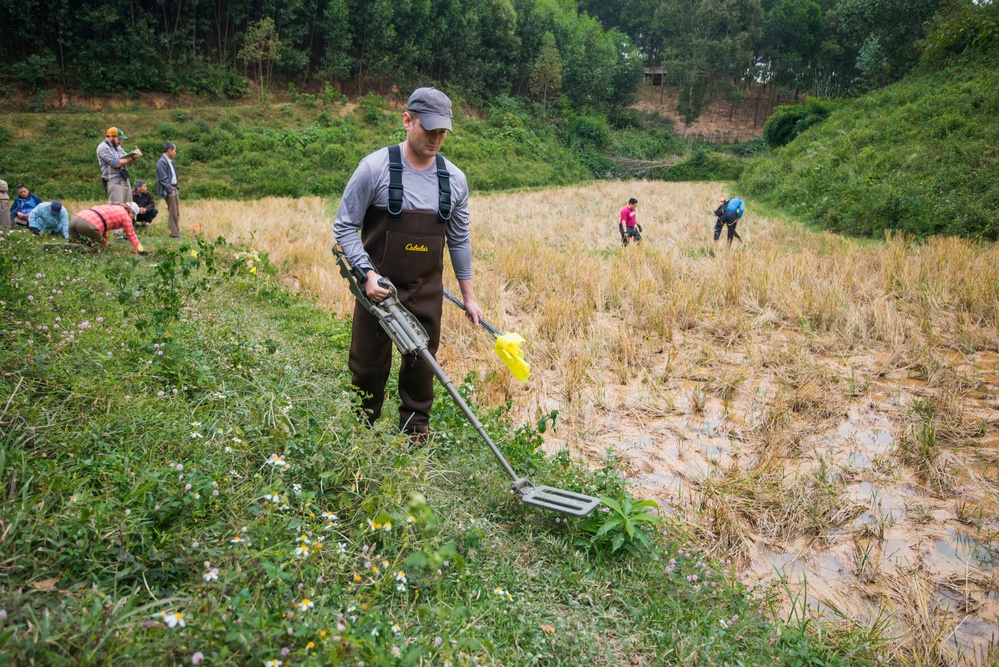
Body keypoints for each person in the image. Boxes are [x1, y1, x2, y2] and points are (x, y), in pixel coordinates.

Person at [333, 87, 484, 442]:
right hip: (378, 289)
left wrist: (470, 297)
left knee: (422, 365)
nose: (436, 138)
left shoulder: (455, 180)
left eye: (442, 131)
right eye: (429, 129)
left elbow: (459, 240)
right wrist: (366, 274)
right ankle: (361, 432)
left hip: (425, 288)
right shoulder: (374, 168)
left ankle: (415, 436)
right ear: (406, 120)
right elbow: (344, 226)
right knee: (369, 366)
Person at [68, 202, 147, 255]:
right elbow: (131, 234)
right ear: (132, 212)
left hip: (75, 220)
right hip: (88, 225)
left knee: (73, 246)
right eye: (133, 216)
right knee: (97, 250)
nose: (132, 218)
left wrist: (105, 242)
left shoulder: (113, 207)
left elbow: (104, 226)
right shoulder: (126, 216)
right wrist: (140, 250)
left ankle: (61, 248)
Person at [97, 127, 142, 204]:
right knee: (117, 209)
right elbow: (116, 163)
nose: (120, 141)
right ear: (111, 137)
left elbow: (127, 160)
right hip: (114, 182)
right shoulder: (103, 148)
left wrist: (135, 156)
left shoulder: (118, 148)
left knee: (129, 209)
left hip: (125, 182)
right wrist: (131, 157)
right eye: (118, 139)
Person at [156, 143, 180, 238]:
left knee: (176, 211)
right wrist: (170, 189)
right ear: (169, 150)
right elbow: (163, 178)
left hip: (174, 187)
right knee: (173, 212)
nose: (175, 153)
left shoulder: (170, 161)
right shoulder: (161, 162)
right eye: (174, 150)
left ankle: (175, 231)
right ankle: (174, 233)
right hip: (169, 189)